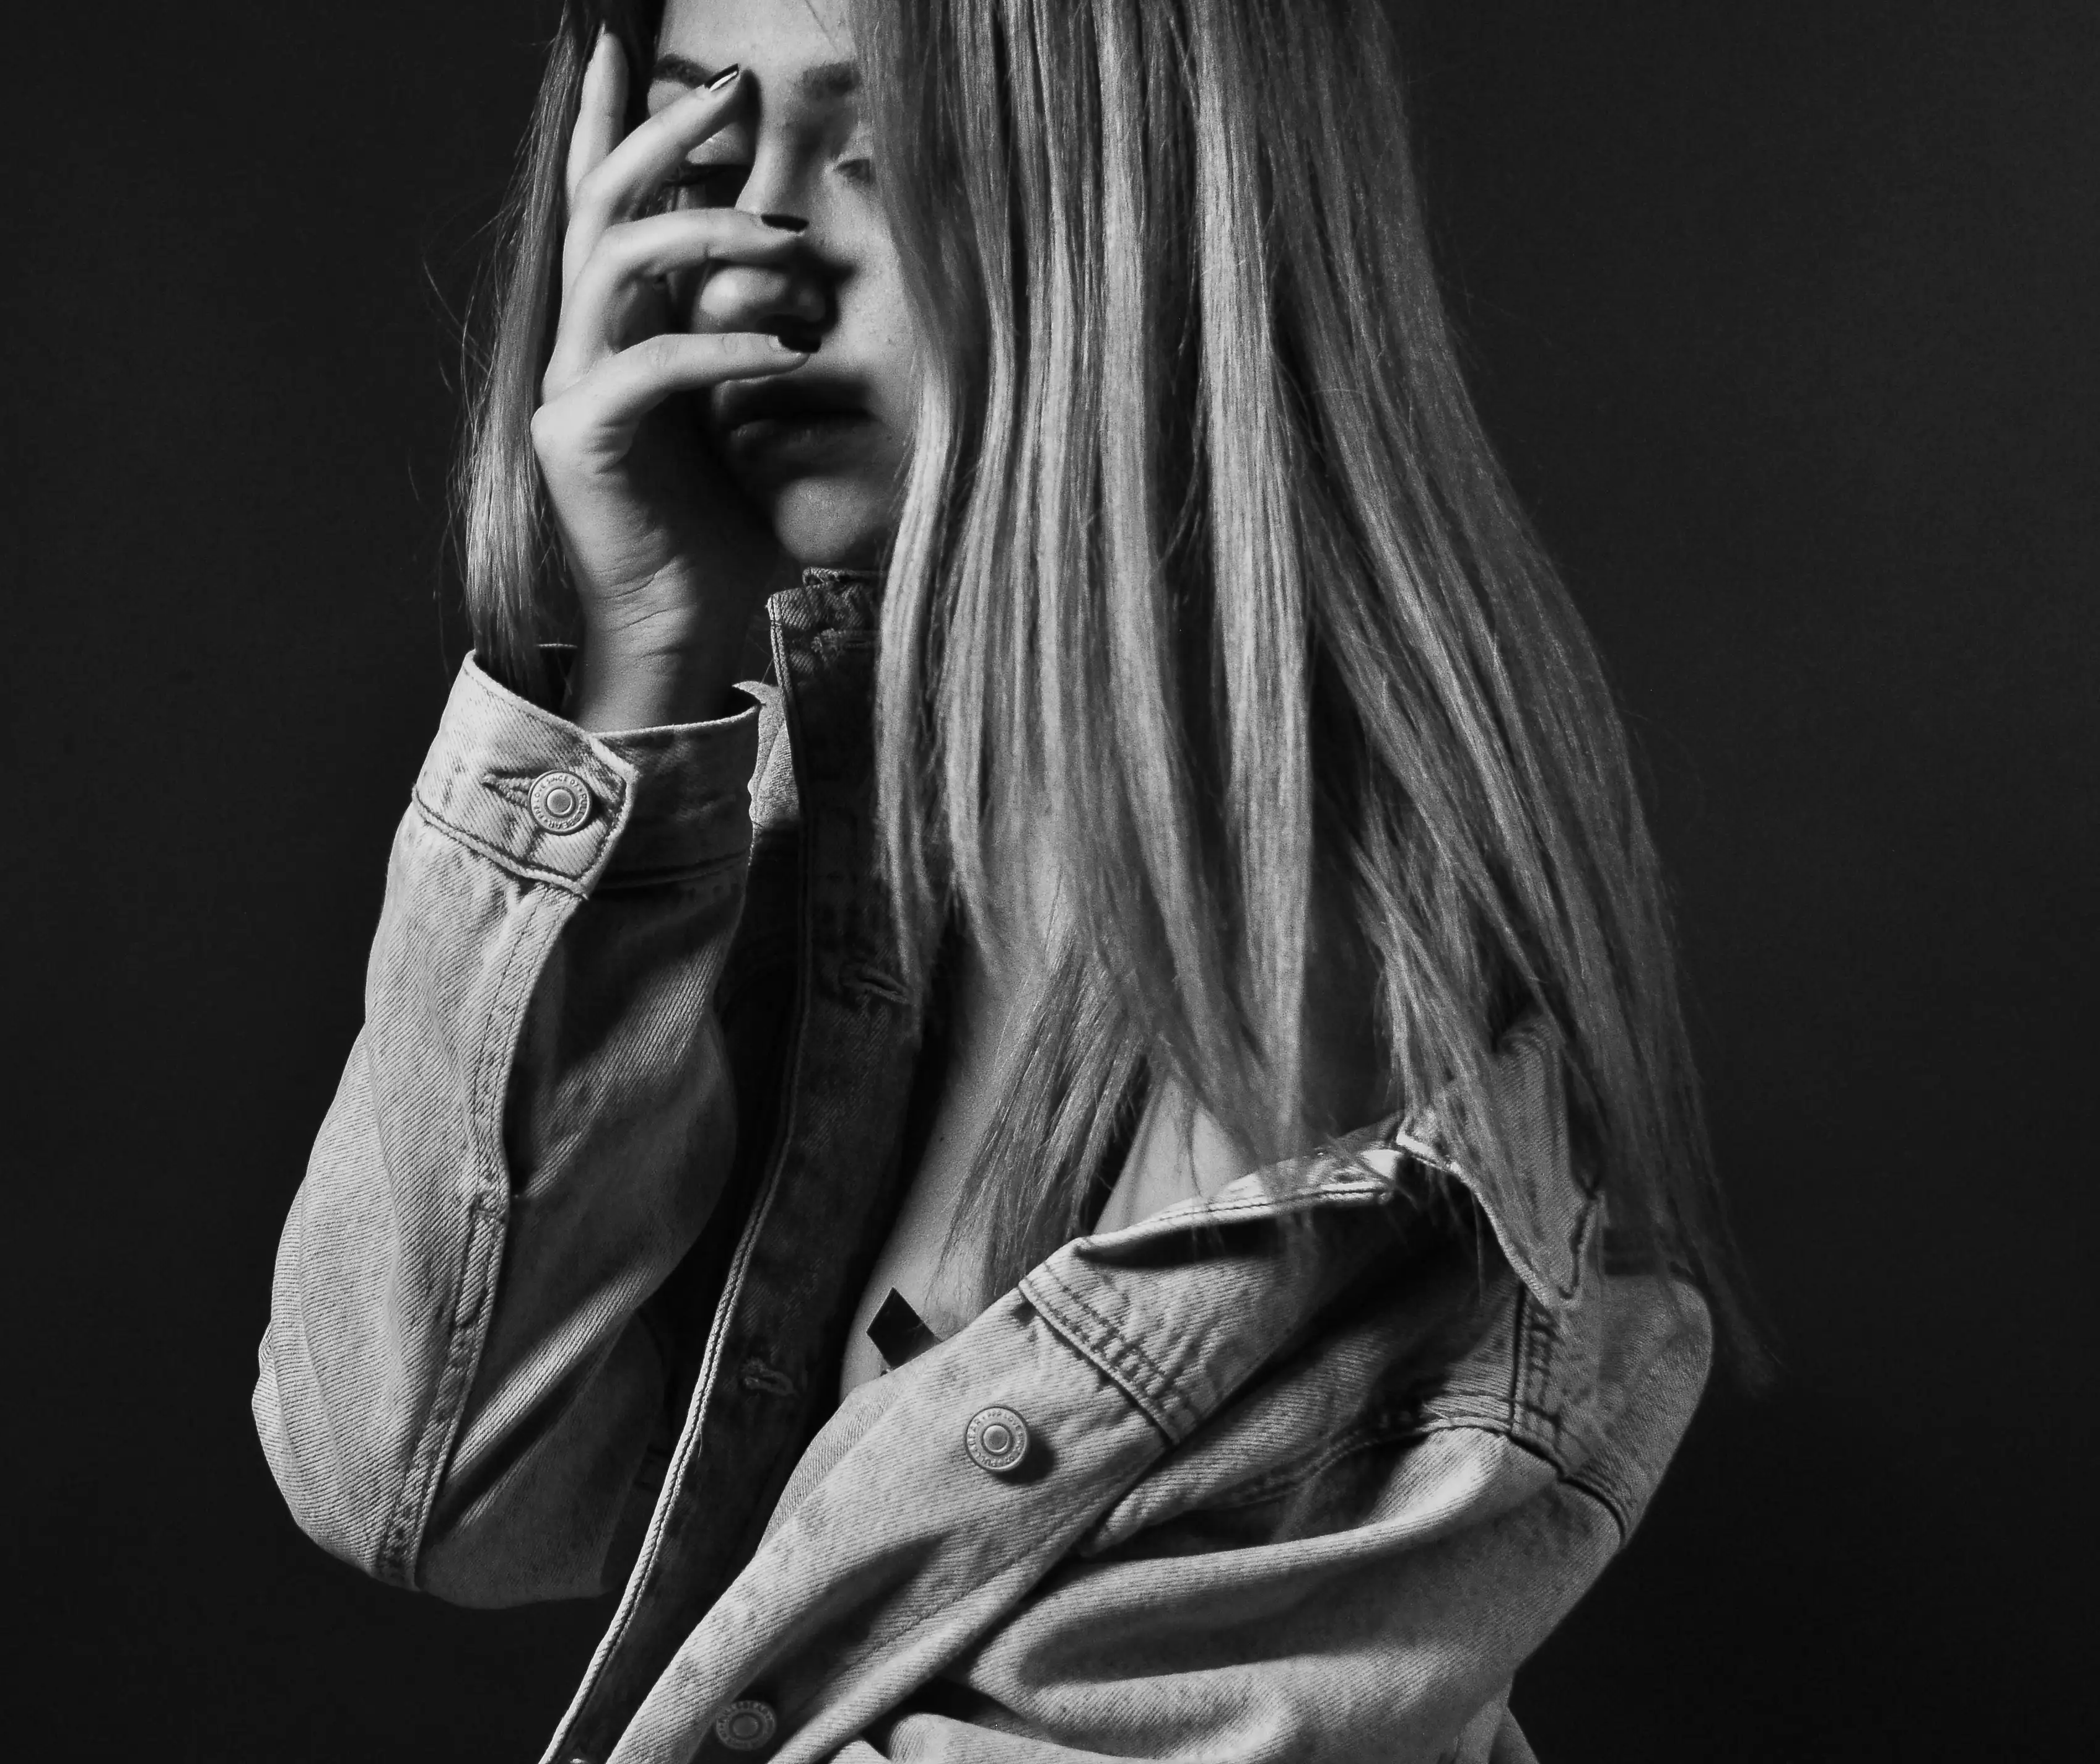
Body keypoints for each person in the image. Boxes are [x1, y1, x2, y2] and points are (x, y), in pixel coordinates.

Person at [255, 0, 1752, 1757]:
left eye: (887, 161)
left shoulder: (1329, 987)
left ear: (1155, 209)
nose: (754, 267)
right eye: (708, 157)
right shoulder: (815, 793)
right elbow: (420, 1480)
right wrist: (646, 654)